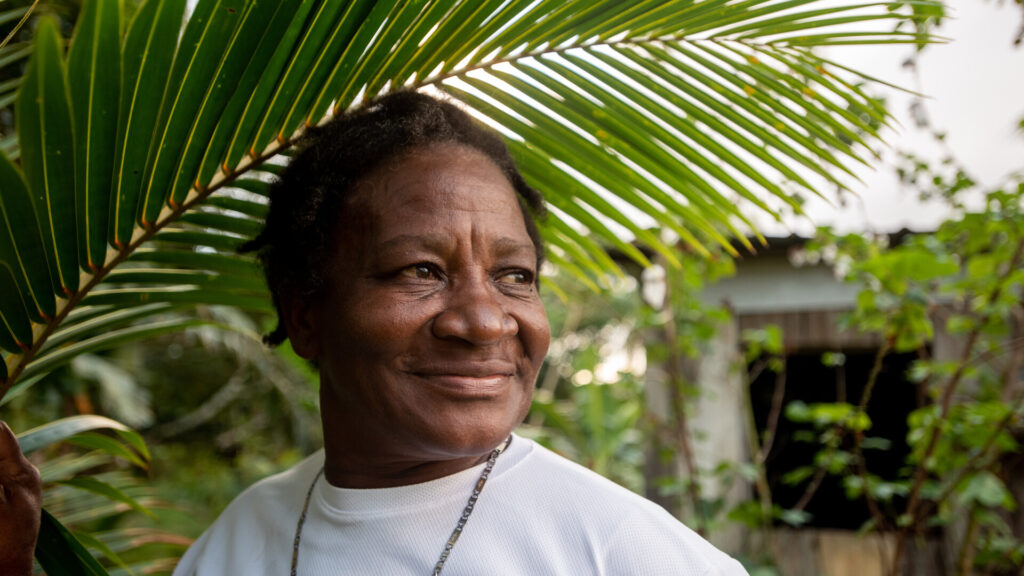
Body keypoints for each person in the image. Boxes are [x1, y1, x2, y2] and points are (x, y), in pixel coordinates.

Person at [0, 91, 749, 575]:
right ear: (305, 314)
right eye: (420, 270)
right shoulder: (241, 541)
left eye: (514, 275)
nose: (486, 319)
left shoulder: (618, 551)